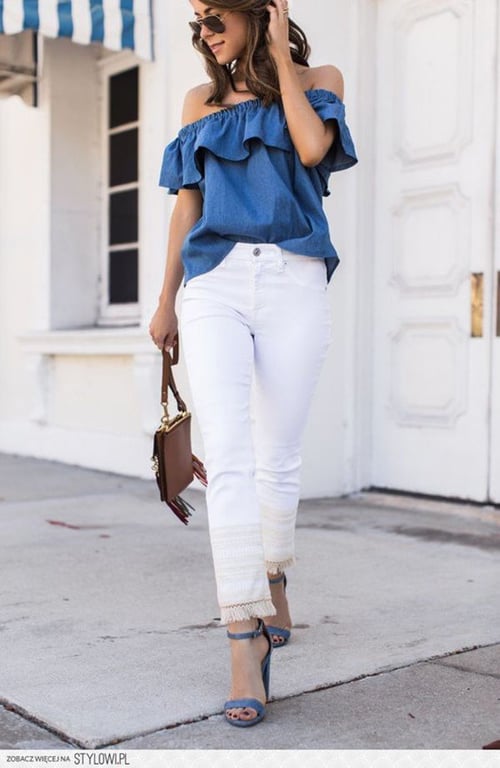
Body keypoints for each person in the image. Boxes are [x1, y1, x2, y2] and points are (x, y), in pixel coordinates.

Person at [149, 0, 357, 727]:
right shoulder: (197, 102)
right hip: (216, 282)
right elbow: (187, 207)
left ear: (257, 10)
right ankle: (244, 636)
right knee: (231, 459)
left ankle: (273, 573)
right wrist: (167, 301)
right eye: (197, 22)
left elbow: (311, 148)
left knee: (279, 453)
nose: (205, 33)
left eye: (216, 17)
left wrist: (277, 55)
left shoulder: (319, 79)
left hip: (295, 278)